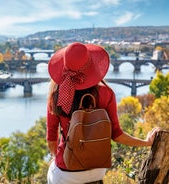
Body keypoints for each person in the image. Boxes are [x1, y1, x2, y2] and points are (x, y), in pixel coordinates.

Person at [46, 42, 159, 184]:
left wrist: (57, 157)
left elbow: (51, 139)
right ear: (91, 66)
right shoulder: (106, 93)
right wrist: (146, 142)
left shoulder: (57, 95)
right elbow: (117, 135)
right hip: (97, 169)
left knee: (52, 172)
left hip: (67, 170)